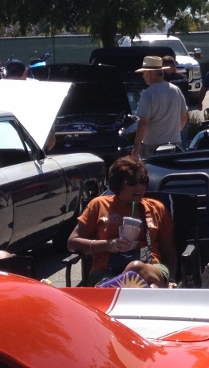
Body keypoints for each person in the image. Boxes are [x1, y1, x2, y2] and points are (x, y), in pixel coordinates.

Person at [67, 155, 176, 287]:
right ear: (117, 184)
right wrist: (108, 245)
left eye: (143, 180)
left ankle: (117, 293)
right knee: (146, 287)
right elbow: (72, 243)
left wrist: (171, 280)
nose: (139, 187)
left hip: (150, 267)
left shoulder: (156, 208)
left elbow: (169, 252)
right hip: (106, 271)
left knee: (136, 269)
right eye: (131, 182)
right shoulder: (98, 205)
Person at [134, 56, 188, 159]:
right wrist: (173, 132)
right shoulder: (176, 90)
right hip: (175, 144)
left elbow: (143, 123)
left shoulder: (148, 93)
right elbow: (184, 117)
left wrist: (136, 147)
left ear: (149, 73)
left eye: (143, 73)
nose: (143, 76)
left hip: (152, 146)